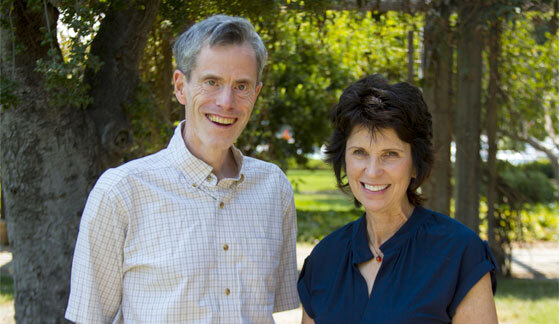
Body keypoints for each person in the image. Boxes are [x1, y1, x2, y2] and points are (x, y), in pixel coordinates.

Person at [65, 15, 299, 323]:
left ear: (255, 95)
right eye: (211, 82)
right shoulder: (121, 192)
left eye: (241, 86)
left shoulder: (274, 189)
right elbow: (89, 318)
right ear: (180, 87)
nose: (226, 102)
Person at [298, 74, 498, 324]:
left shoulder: (459, 253)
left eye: (390, 154)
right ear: (344, 159)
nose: (372, 171)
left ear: (416, 165)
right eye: (360, 152)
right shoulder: (324, 259)